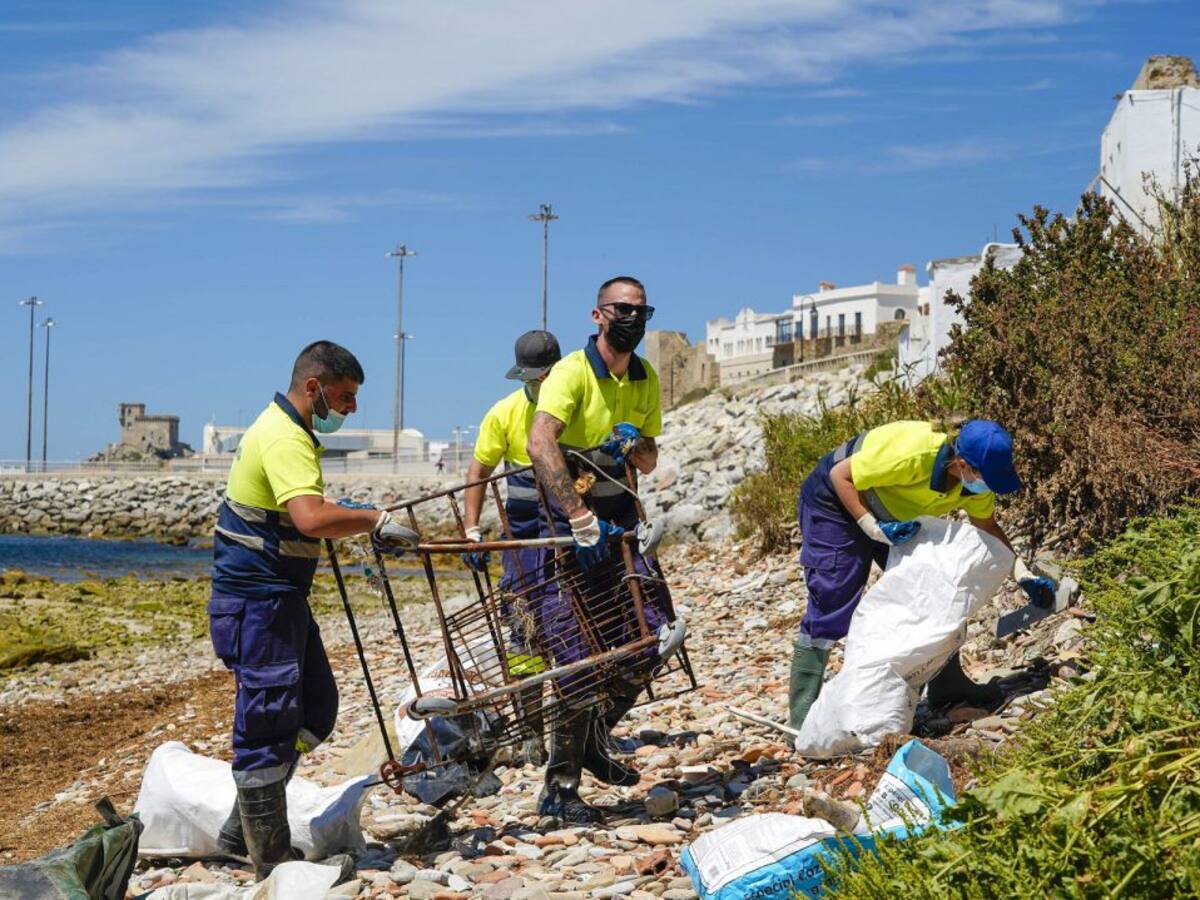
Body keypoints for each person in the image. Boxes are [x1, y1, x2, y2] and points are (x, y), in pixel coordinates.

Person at [207, 341, 417, 879]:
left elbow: (305, 514)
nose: (350, 409)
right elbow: (307, 518)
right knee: (266, 727)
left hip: (280, 600)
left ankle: (240, 827)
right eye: (345, 397)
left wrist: (357, 520)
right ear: (313, 387)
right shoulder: (283, 437)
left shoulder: (289, 432)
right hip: (258, 605)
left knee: (315, 709)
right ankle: (268, 857)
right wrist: (372, 520)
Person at [787, 418, 1058, 730]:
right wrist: (871, 527)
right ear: (961, 463)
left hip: (892, 516)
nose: (988, 485)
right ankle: (802, 717)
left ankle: (948, 686)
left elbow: (988, 527)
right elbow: (840, 476)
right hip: (835, 500)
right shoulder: (914, 454)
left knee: (932, 588)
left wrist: (1022, 574)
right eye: (985, 476)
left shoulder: (975, 486)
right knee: (833, 598)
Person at [526, 275, 668, 824]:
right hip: (570, 525)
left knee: (650, 637)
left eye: (640, 310)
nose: (632, 318)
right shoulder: (571, 372)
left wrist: (636, 443)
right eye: (621, 309)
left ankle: (592, 739)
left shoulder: (645, 376)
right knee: (577, 653)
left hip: (622, 521)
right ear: (598, 315)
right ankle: (559, 790)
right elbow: (541, 442)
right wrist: (577, 518)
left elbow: (651, 461)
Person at [461, 329, 563, 763]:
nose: (534, 386)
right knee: (523, 630)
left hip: (567, 529)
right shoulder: (504, 413)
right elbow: (479, 469)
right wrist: (471, 529)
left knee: (580, 621)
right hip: (520, 537)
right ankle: (531, 733)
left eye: (541, 377)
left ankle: (586, 726)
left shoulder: (572, 405)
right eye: (528, 379)